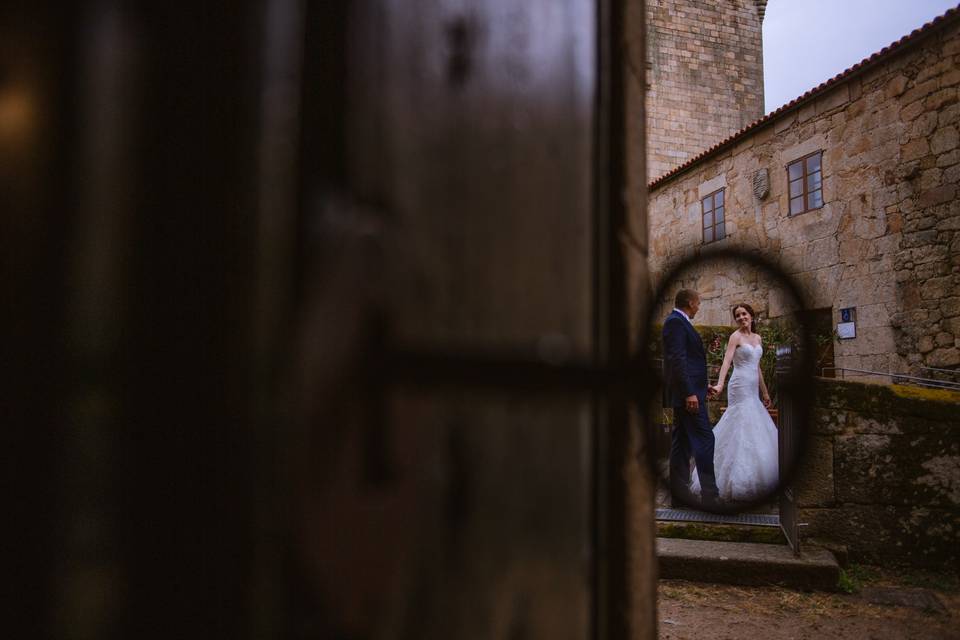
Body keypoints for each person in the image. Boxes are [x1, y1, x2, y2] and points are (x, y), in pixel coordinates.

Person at [691, 303, 779, 503]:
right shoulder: (735, 337)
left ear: (751, 316)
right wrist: (720, 385)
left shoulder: (758, 338)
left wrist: (765, 393)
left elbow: (758, 369)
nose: (741, 317)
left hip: (753, 387)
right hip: (738, 386)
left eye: (744, 314)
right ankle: (729, 479)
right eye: (737, 315)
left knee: (756, 422)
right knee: (740, 421)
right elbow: (726, 362)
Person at [662, 289, 720, 509]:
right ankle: (710, 496)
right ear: (689, 302)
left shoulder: (679, 321)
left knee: (681, 444)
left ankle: (679, 496)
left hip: (690, 393)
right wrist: (689, 393)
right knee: (706, 439)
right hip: (688, 397)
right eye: (698, 303)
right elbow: (677, 360)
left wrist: (702, 387)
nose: (699, 307)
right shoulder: (675, 322)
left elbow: (687, 362)